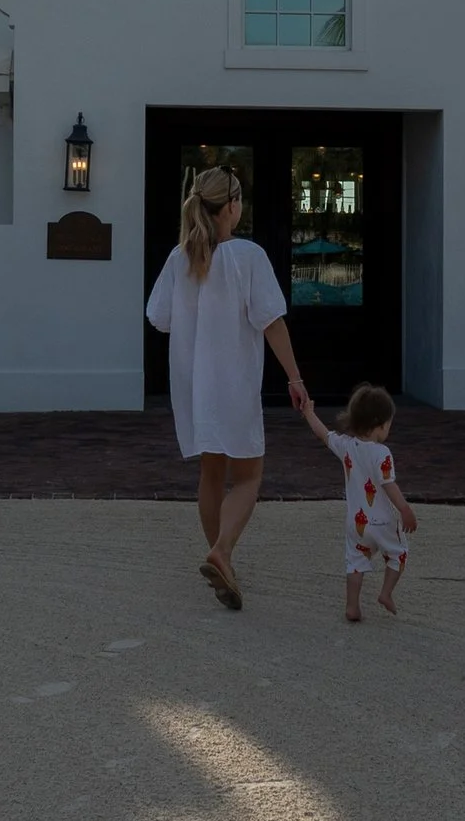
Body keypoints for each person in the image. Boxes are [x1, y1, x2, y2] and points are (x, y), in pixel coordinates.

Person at [145, 166, 309, 611]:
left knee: (211, 475)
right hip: (234, 382)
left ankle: (223, 558)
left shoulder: (179, 259)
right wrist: (295, 379)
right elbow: (272, 322)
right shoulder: (248, 257)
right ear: (233, 206)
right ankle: (222, 552)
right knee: (250, 474)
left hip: (194, 386)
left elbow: (158, 317)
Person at [296, 381, 417, 622]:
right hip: (382, 522)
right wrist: (404, 509)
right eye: (388, 424)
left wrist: (309, 412)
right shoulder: (382, 453)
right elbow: (388, 484)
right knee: (398, 553)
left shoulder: (346, 446)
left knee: (355, 561)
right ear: (379, 425)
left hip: (356, 523)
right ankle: (385, 593)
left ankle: (352, 606)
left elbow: (323, 434)